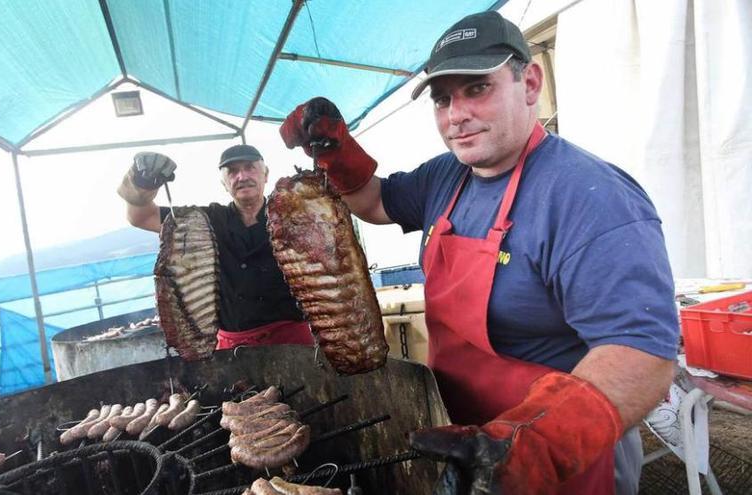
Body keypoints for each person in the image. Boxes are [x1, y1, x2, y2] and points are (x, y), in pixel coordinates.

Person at [279, 11, 678, 495]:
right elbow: (374, 200)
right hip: (458, 427)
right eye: (443, 99)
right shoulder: (445, 176)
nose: (456, 115)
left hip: (555, 453)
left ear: (529, 82)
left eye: (477, 89)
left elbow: (642, 353)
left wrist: (532, 446)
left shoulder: (588, 195)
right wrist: (334, 150)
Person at [117, 144, 313, 350]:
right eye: (232, 171)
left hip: (293, 339)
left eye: (250, 167)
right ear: (224, 182)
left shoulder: (293, 216)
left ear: (266, 174)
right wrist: (142, 183)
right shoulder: (204, 220)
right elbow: (141, 216)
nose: (242, 176)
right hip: (233, 347)